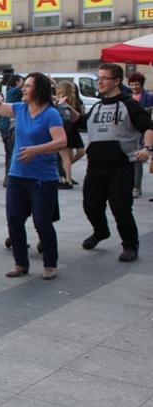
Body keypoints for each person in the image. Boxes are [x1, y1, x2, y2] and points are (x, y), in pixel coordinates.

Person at [0, 69, 66, 280]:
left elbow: (61, 142)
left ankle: (50, 264)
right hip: (17, 176)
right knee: (14, 220)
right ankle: (20, 263)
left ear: (39, 90)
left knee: (42, 222)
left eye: (27, 85)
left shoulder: (50, 114)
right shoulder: (21, 109)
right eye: (23, 85)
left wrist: (36, 150)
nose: (23, 88)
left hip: (43, 178)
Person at [78, 63, 153, 262]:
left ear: (117, 81)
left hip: (120, 167)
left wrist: (147, 148)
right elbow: (81, 123)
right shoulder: (97, 106)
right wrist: (65, 107)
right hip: (95, 167)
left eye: (104, 78)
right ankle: (101, 231)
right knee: (91, 205)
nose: (99, 82)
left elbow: (148, 127)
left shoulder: (129, 105)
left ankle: (130, 246)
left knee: (120, 208)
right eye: (98, 78)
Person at [126, 72, 153, 198]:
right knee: (133, 160)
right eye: (132, 85)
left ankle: (136, 186)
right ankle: (133, 185)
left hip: (145, 132)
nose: (134, 87)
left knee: (138, 160)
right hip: (131, 133)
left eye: (137, 85)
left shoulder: (148, 97)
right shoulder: (128, 97)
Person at [55, 81, 85, 190]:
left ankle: (66, 178)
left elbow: (77, 116)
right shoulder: (65, 100)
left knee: (65, 156)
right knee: (66, 156)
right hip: (68, 129)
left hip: (65, 129)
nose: (73, 91)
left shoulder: (63, 102)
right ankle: (66, 177)